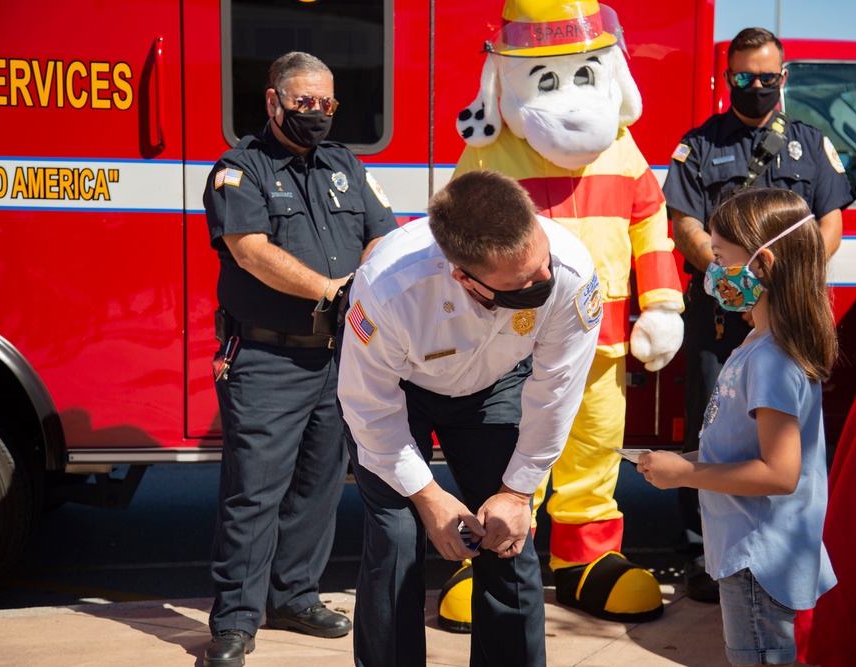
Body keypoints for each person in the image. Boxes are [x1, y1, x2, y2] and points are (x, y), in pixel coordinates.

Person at [445, 0, 682, 628]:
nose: (572, 97)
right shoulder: (491, 157)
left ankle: (587, 558)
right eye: (547, 77)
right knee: (507, 447)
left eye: (583, 75)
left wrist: (662, 305)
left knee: (592, 447)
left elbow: (650, 229)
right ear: (507, 82)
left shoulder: (625, 152)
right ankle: (491, 556)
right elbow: (457, 236)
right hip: (512, 343)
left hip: (601, 342)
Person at [337, 169, 601, 667]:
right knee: (398, 540)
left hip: (494, 384)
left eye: (540, 262)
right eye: (521, 283)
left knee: (508, 538)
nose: (542, 279)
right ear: (464, 277)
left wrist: (519, 492)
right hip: (401, 395)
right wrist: (428, 497)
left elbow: (556, 393)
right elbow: (369, 410)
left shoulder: (571, 271)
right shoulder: (389, 288)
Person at [202, 51, 397, 667]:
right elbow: (250, 251)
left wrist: (364, 280)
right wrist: (331, 291)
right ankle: (234, 621)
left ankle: (294, 597)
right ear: (273, 102)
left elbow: (382, 232)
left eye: (327, 104)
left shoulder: (347, 164)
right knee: (254, 492)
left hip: (336, 358)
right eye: (304, 103)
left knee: (318, 486)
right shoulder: (240, 169)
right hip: (265, 357)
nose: (316, 115)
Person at [662, 26, 851, 602]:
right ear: (728, 80)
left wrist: (780, 274)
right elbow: (686, 223)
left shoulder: (810, 144)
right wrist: (723, 277)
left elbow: (831, 225)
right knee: (713, 420)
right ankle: (704, 551)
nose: (757, 87)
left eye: (767, 78)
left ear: (783, 78)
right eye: (744, 78)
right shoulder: (698, 145)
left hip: (785, 313)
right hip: (720, 318)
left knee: (783, 432)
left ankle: (784, 545)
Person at [637, 187, 838, 667]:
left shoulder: (771, 359)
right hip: (750, 551)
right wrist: (682, 463)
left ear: (763, 264)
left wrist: (687, 475)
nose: (713, 269)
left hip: (757, 560)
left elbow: (779, 473)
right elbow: (741, 447)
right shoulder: (758, 340)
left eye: (721, 255)